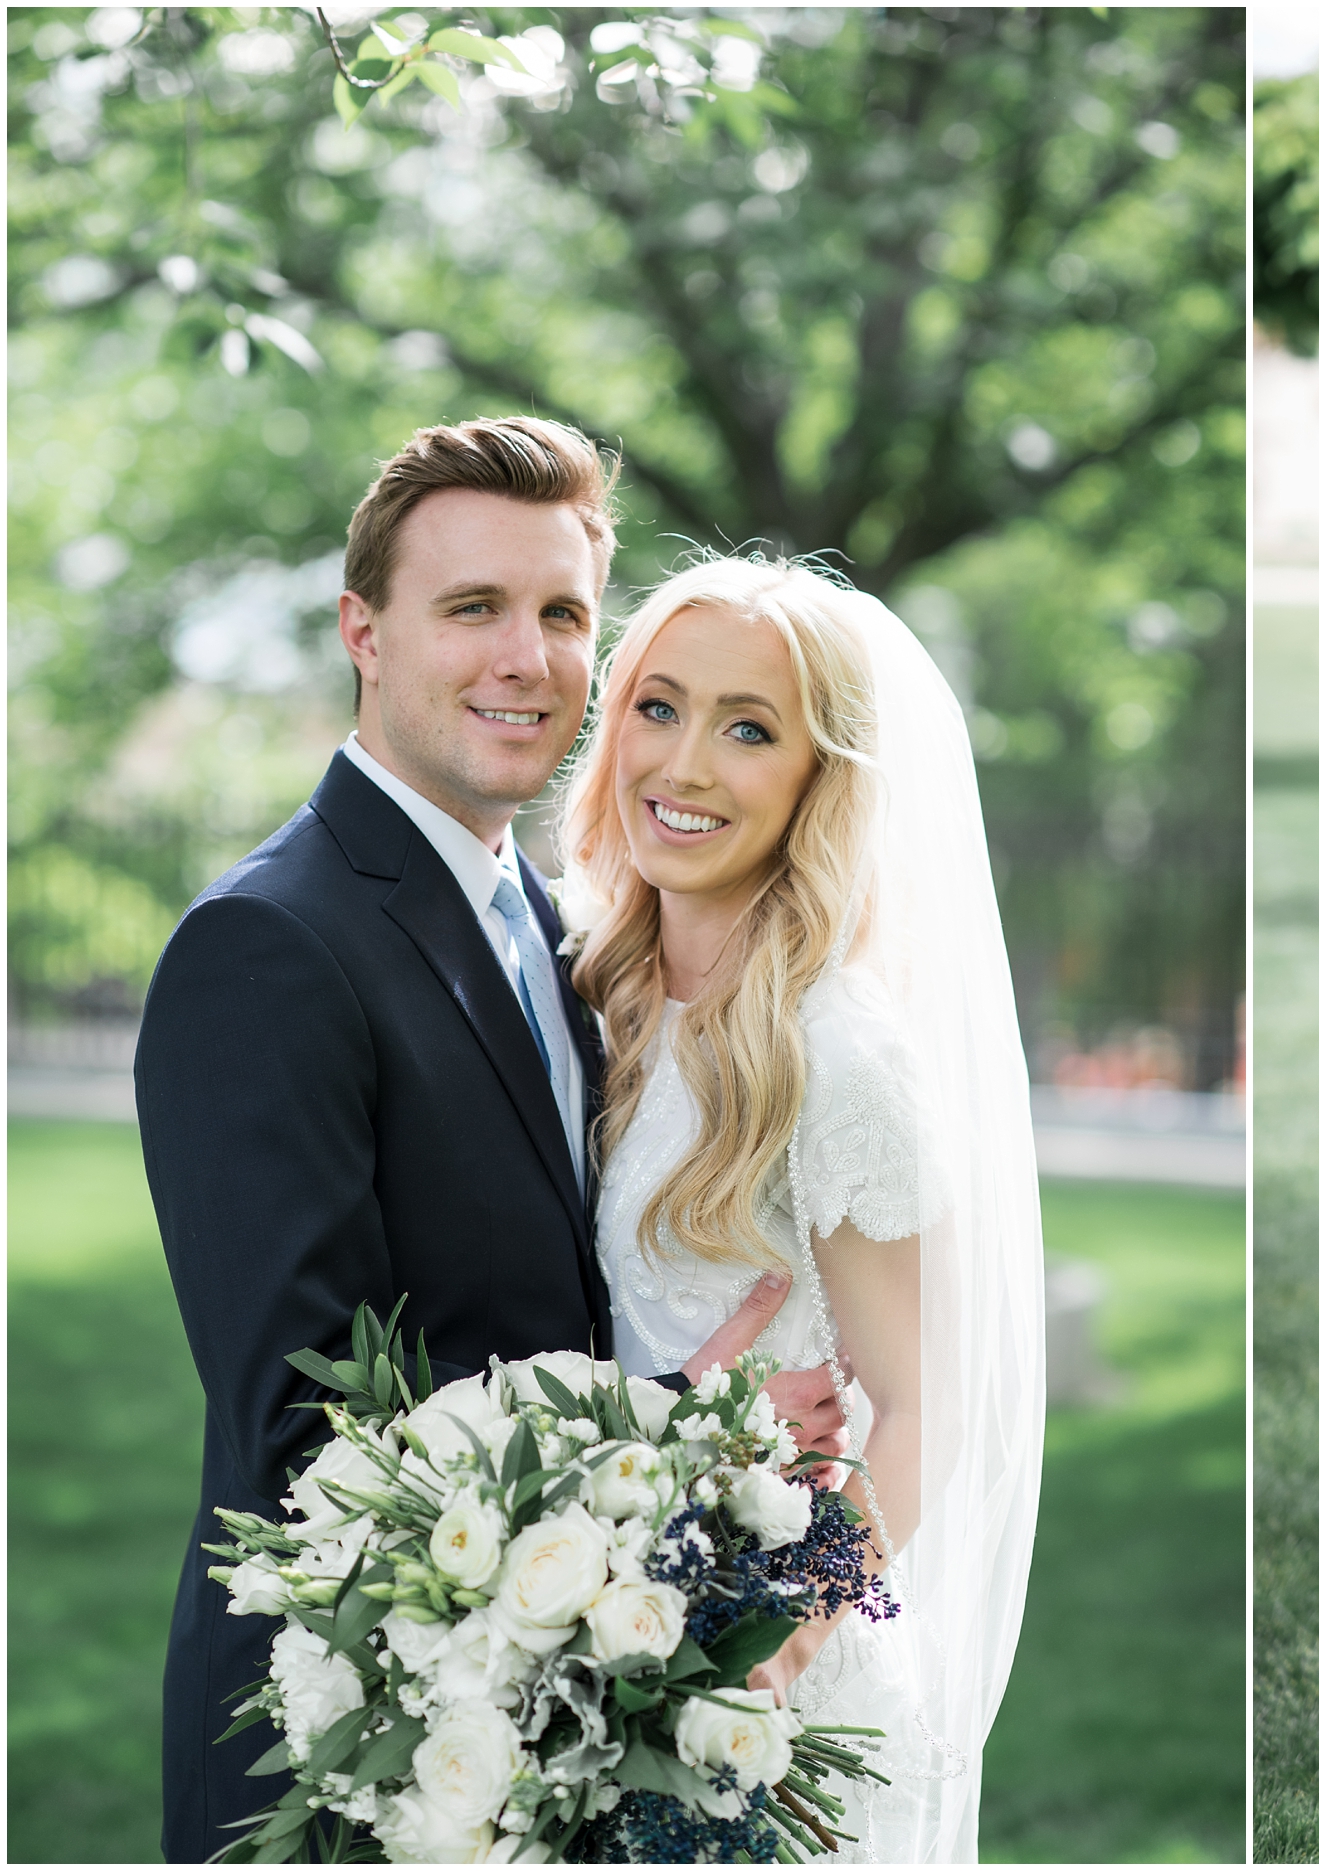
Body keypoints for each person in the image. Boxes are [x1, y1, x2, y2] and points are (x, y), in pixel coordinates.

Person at [135, 418, 842, 1862]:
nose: (526, 659)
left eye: (563, 615)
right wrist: (676, 1434)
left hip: (566, 1734)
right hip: (349, 1763)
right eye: (472, 609)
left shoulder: (563, 922)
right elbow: (310, 1441)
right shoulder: (266, 947)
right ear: (365, 633)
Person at [556, 553, 1045, 1862]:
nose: (688, 764)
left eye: (751, 729)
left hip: (764, 1694)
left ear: (820, 780)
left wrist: (778, 1652)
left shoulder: (836, 1052)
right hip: (602, 1632)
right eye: (659, 707)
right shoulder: (600, 984)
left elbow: (930, 1407)